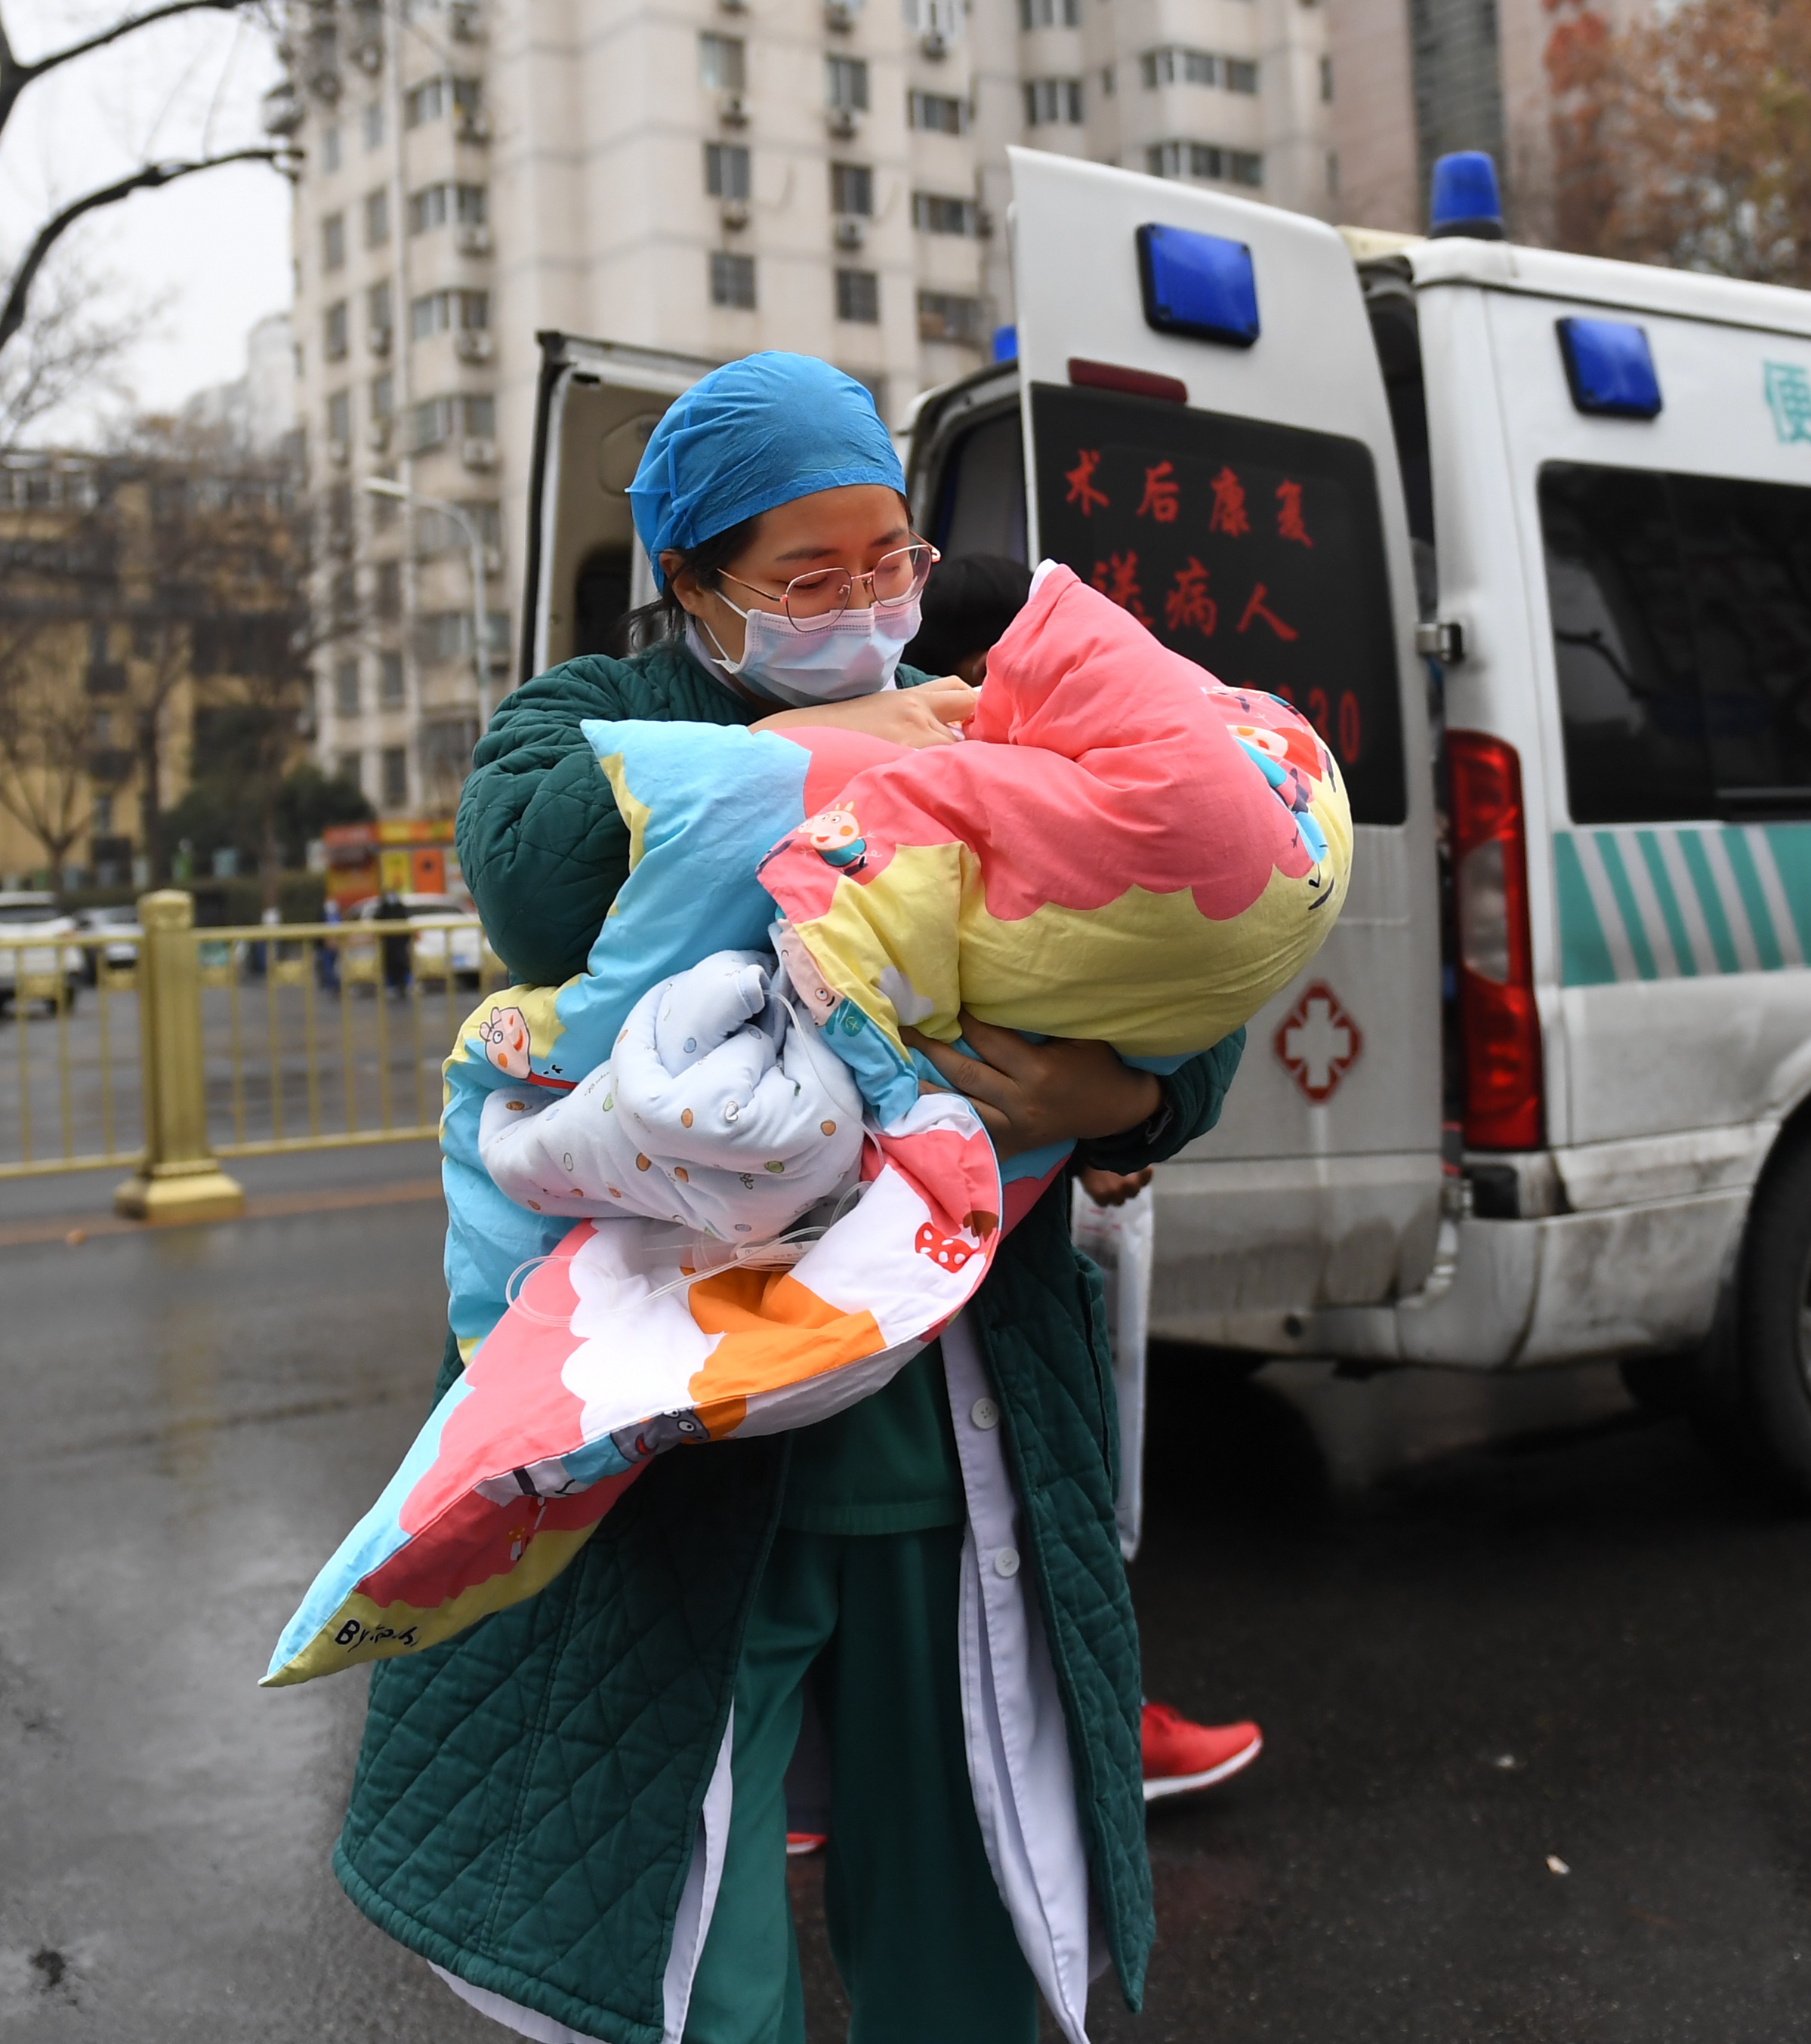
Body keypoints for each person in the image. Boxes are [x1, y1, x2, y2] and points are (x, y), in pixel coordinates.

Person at [330, 352, 1239, 2044]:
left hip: (949, 1435)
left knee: (969, 1916)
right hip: (684, 1462)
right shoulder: (594, 712)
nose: (867, 605)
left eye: (889, 559)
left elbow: (1187, 945)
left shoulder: (988, 701)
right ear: (696, 587)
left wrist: (1123, 1100)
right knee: (699, 1954)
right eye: (808, 580)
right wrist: (815, 746)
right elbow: (533, 886)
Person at [912, 554, 1265, 1806]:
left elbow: (1207, 998)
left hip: (1044, 1225)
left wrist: (1126, 1113)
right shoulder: (906, 787)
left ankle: (1103, 1723)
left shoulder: (1113, 772)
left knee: (1071, 1481)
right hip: (912, 1242)